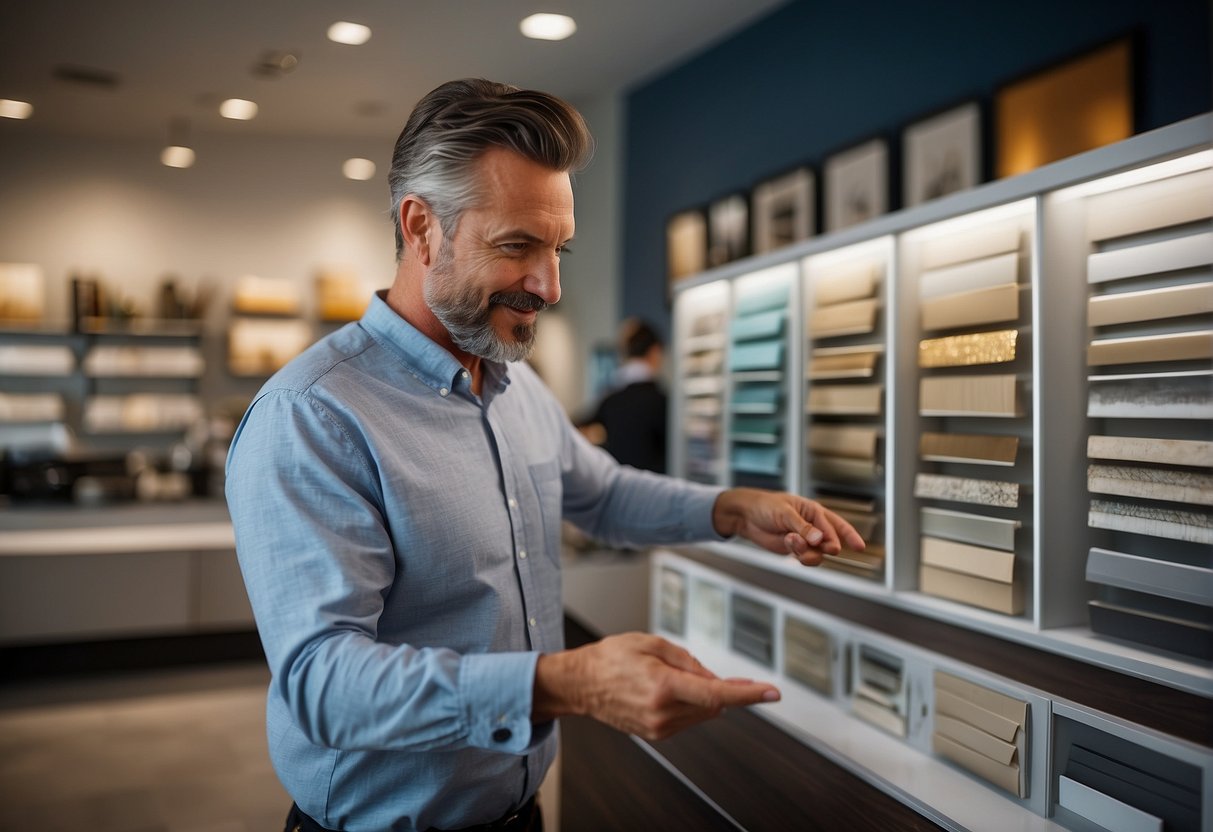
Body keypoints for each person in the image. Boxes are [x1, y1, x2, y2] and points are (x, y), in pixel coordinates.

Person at [225, 78, 864, 832]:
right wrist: (567, 684)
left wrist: (728, 508)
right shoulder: (311, 416)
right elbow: (322, 683)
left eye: (558, 248)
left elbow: (599, 493)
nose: (550, 285)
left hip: (519, 812)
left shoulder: (513, 383)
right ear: (421, 227)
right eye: (518, 246)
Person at [579, 317, 668, 473]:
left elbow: (576, 426)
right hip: (654, 491)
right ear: (655, 352)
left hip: (615, 489)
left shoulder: (610, 399)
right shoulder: (663, 402)